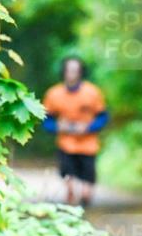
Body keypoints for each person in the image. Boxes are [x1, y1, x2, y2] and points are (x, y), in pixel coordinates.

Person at [42, 56, 109, 207]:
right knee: (67, 171)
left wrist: (89, 127)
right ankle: (70, 194)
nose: (72, 74)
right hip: (66, 143)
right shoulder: (53, 94)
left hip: (88, 143)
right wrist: (58, 127)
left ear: (81, 72)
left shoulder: (92, 92)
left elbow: (103, 117)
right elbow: (46, 120)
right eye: (69, 70)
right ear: (63, 72)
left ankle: (86, 196)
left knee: (88, 179)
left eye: (75, 70)